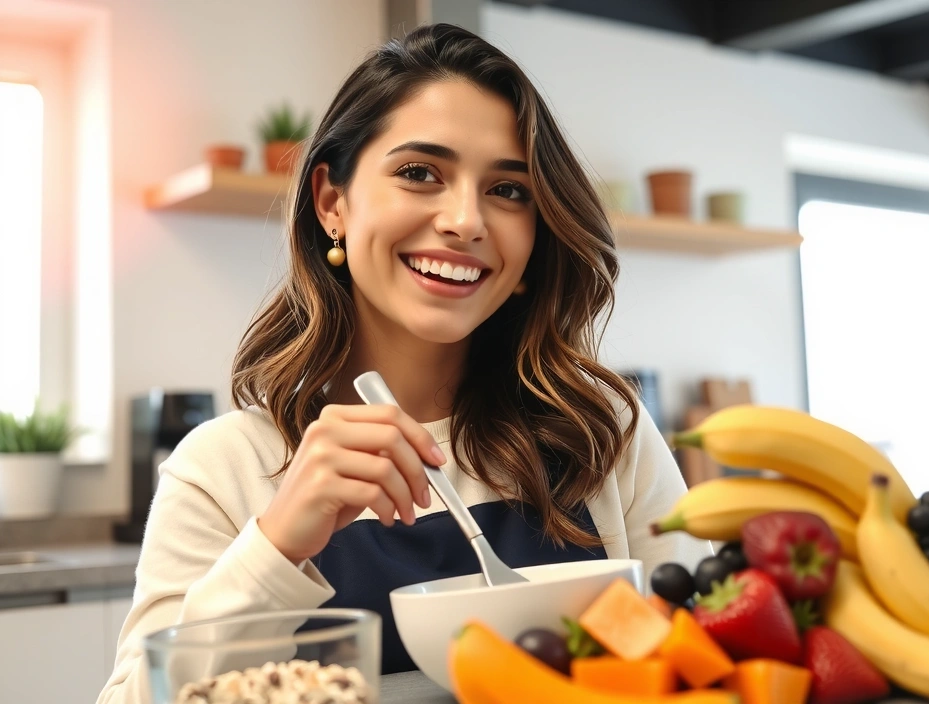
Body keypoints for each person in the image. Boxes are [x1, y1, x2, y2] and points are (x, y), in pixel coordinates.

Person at [97, 22, 711, 703]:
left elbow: (707, 663)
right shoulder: (225, 469)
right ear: (333, 203)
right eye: (420, 174)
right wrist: (274, 548)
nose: (465, 221)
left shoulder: (603, 433)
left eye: (508, 190)